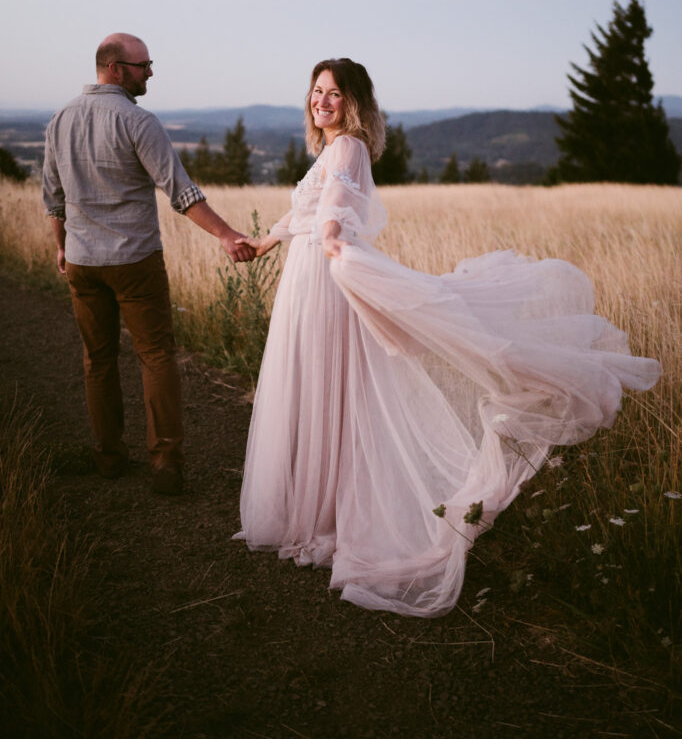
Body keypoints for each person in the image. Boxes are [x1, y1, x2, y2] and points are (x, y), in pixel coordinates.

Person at [234, 58, 661, 617]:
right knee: (318, 390)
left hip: (326, 278)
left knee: (325, 389)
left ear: (355, 102)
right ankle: (318, 510)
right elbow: (304, 216)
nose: (323, 102)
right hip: (310, 278)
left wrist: (338, 247)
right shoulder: (331, 148)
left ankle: (328, 517)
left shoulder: (349, 148)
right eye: (317, 92)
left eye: (334, 94)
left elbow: (335, 213)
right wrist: (264, 244)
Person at [42, 32, 254, 495]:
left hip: (81, 262)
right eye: (144, 65)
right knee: (155, 356)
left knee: (97, 360)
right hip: (134, 261)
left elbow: (53, 199)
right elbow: (181, 192)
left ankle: (109, 457)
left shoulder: (59, 120)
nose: (151, 72)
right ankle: (165, 464)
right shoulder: (138, 121)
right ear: (115, 69)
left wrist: (60, 247)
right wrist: (225, 234)